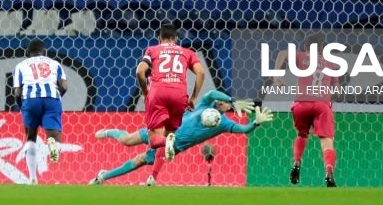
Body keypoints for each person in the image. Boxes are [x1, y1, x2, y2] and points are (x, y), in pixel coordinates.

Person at [89, 90, 272, 185]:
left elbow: (244, 129)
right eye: (221, 101)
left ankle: (103, 176)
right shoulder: (204, 105)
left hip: (174, 145)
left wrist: (256, 122)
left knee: (139, 160)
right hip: (161, 129)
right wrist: (232, 99)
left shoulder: (223, 123)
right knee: (126, 140)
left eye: (224, 103)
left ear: (225, 108)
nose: (220, 102)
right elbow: (211, 94)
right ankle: (109, 132)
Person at [137, 23, 205, 171]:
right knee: (169, 135)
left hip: (158, 94)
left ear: (159, 38)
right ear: (176, 39)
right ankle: (154, 175)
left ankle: (164, 142)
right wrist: (193, 97)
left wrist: (145, 92)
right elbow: (201, 72)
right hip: (179, 95)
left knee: (154, 141)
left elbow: (140, 71)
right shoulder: (187, 52)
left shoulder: (152, 50)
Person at [273, 34, 338, 187]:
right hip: (322, 105)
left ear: (305, 47)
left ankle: (296, 163)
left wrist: (276, 78)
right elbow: (336, 88)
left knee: (302, 134)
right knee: (327, 141)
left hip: (302, 104)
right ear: (322, 49)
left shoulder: (301, 56)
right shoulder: (330, 64)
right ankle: (329, 172)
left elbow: (282, 53)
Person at [13, 39, 67, 185]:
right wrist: (55, 98)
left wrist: (22, 107)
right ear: (45, 52)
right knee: (54, 135)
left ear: (27, 53)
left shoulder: (21, 66)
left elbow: (17, 92)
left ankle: (32, 178)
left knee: (30, 137)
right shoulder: (55, 63)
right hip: (51, 98)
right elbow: (64, 86)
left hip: (30, 100)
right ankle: (54, 145)